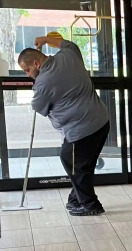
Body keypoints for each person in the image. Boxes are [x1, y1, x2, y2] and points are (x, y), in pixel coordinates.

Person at [17, 35, 110, 216]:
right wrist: (46, 39)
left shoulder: (43, 83)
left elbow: (38, 107)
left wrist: (40, 85)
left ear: (36, 64)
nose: (27, 75)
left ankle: (91, 205)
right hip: (101, 122)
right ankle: (76, 199)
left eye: (27, 70)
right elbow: (67, 44)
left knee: (70, 160)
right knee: (83, 165)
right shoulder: (69, 54)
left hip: (80, 131)